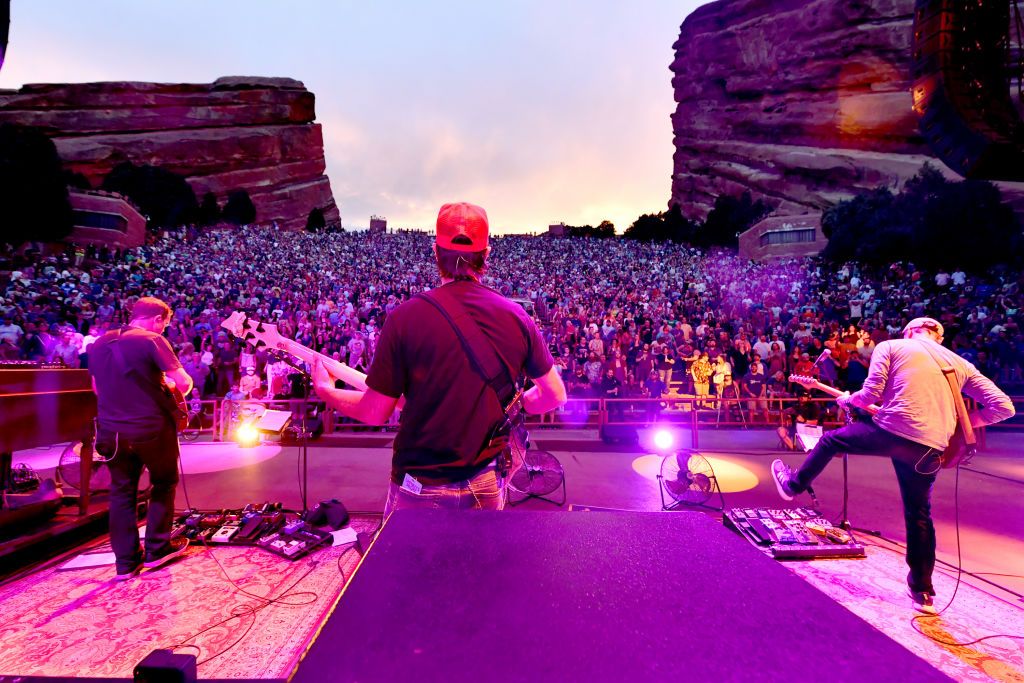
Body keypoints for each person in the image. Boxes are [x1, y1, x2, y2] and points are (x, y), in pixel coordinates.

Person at [312, 202, 566, 516]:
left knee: (411, 565)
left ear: (435, 252)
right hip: (486, 480)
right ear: (485, 254)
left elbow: (375, 412)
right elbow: (555, 394)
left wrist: (326, 390)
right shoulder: (517, 316)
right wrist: (518, 403)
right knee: (480, 565)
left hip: (419, 483)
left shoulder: (404, 317)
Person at [772, 317, 1014, 614]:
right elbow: (1004, 407)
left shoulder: (891, 346)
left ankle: (793, 484)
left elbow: (870, 395)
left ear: (910, 332)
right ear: (938, 337)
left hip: (890, 433)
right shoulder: (959, 363)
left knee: (831, 441)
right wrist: (957, 426)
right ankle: (923, 591)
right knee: (918, 513)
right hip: (930, 448)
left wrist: (851, 401)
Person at [88, 297, 192, 581]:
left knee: (122, 492)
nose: (163, 329)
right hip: (150, 428)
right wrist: (169, 385)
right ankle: (157, 550)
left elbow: (97, 388)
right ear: (158, 318)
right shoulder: (151, 341)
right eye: (165, 324)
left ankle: (125, 563)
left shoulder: (99, 343)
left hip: (111, 432)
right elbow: (183, 382)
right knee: (163, 482)